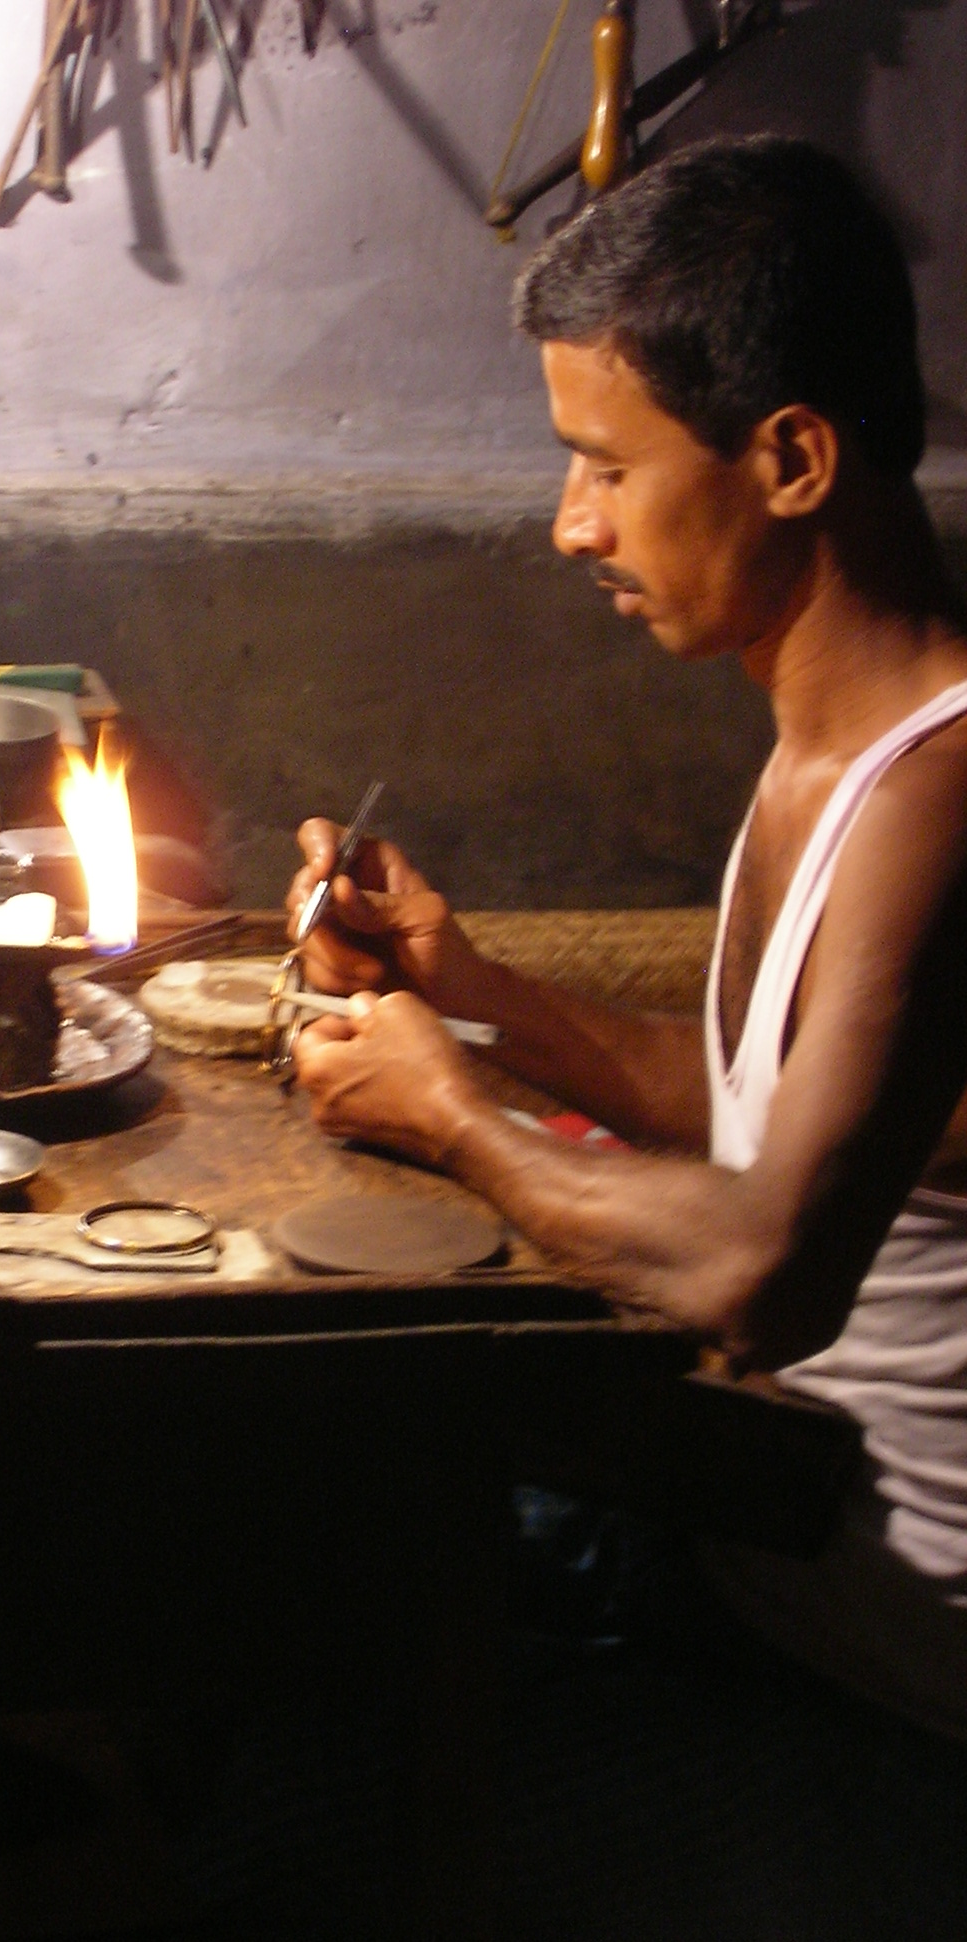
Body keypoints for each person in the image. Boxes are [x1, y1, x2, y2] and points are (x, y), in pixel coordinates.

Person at [285, 136, 967, 1737]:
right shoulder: (831, 738)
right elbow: (767, 1111)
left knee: (274, 1601)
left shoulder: (935, 794)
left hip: (866, 1636)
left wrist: (453, 1116)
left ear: (791, 460)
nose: (569, 526)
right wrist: (476, 999)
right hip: (768, 1533)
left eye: (606, 465)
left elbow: (764, 1270)